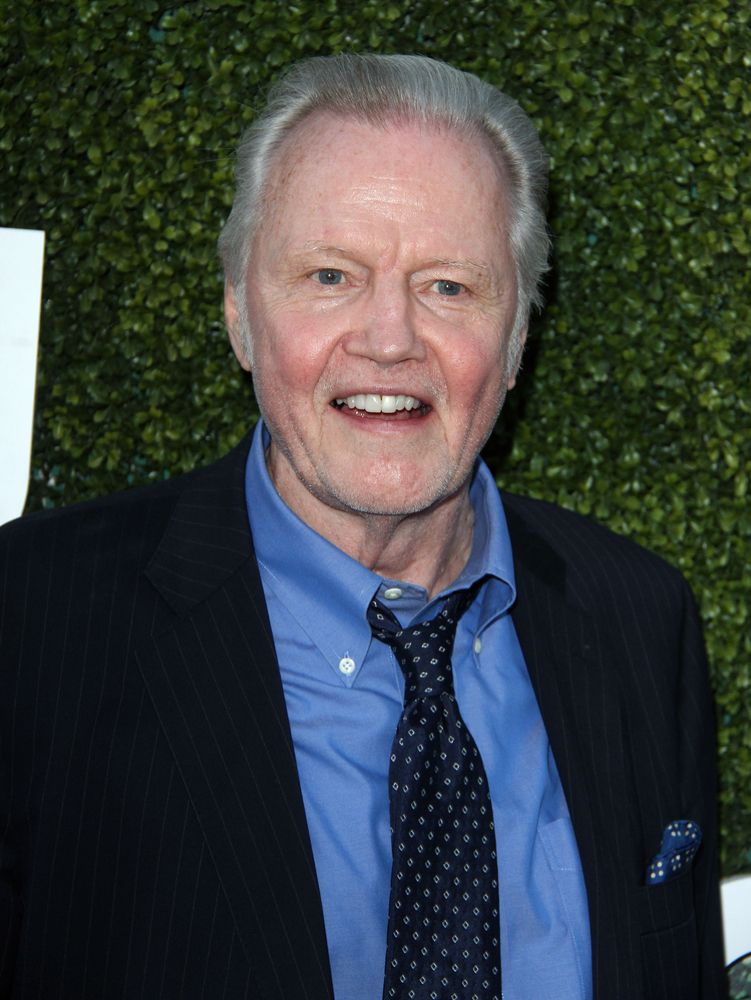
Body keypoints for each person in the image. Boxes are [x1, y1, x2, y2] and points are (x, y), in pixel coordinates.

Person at [0, 53, 725, 1000]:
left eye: (448, 287)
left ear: (516, 340)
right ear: (239, 315)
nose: (389, 339)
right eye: (330, 274)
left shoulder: (639, 617)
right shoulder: (31, 623)